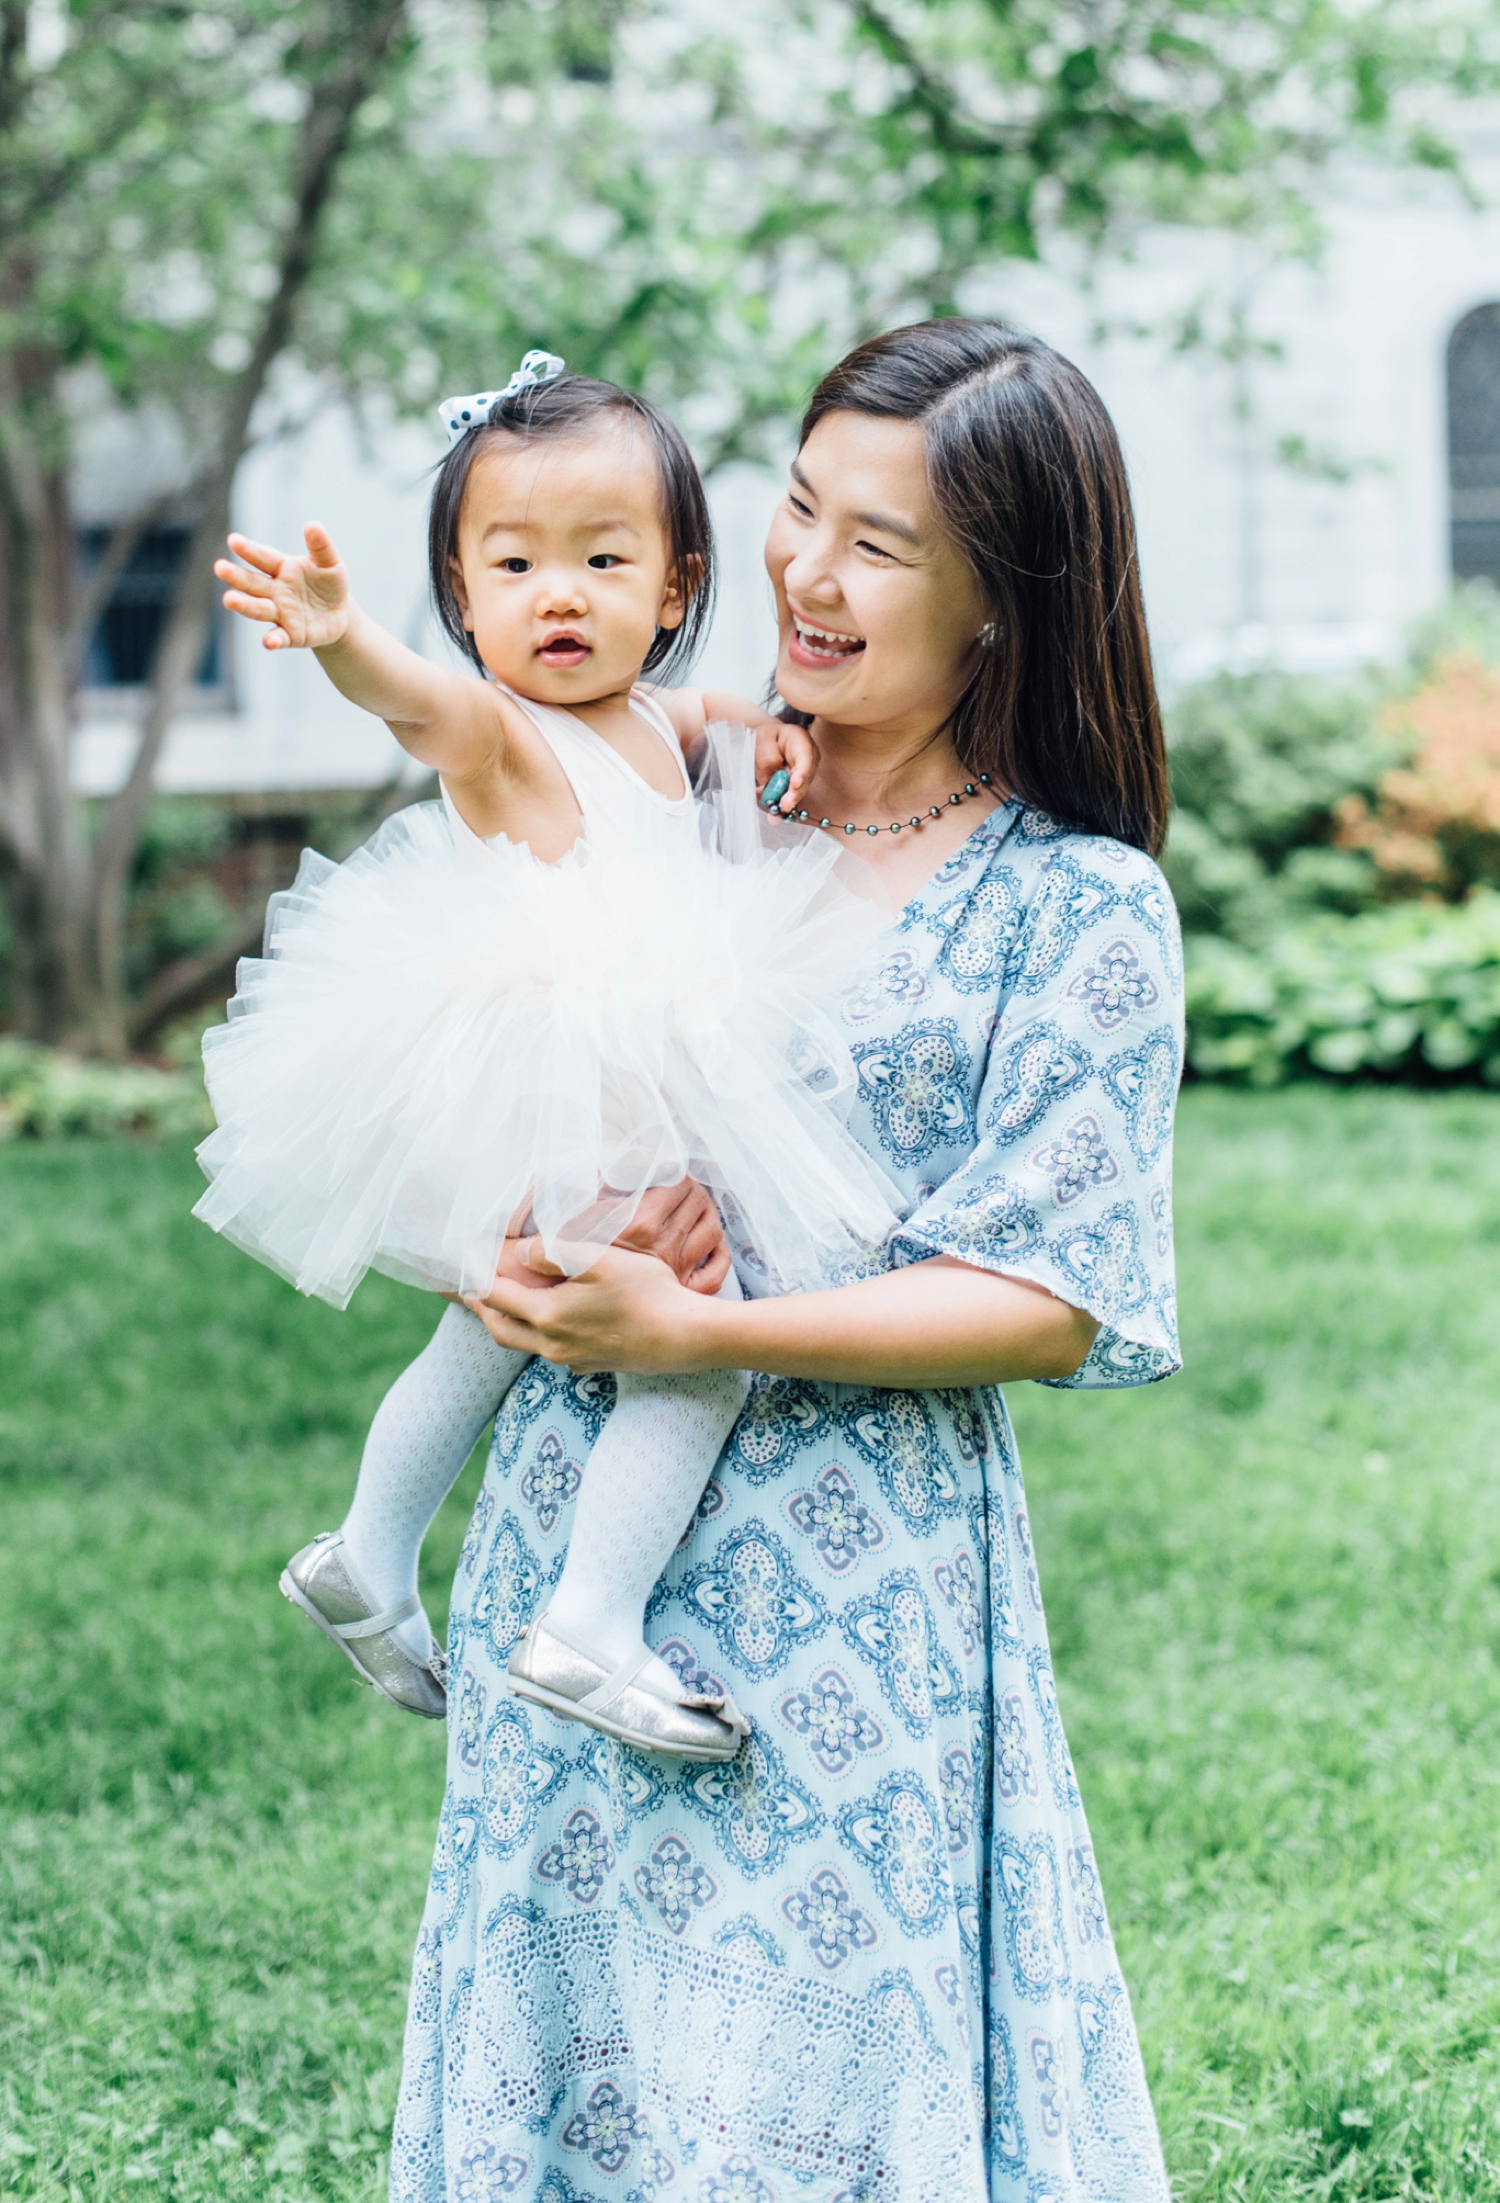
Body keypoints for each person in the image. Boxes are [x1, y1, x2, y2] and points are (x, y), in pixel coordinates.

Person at [390, 318, 1185, 2202]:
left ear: (1008, 597)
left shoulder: (1074, 904)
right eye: (800, 508)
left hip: (855, 1580)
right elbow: (459, 1065)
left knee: (810, 2078)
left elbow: (1048, 1294)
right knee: (571, 2044)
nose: (806, 577)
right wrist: (505, 1245)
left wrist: (710, 1320)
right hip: (571, 1521)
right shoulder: (675, 789)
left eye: (882, 545)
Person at [197, 352, 901, 1763]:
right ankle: (590, 1624)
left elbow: (700, 725)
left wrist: (764, 726)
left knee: (494, 1321)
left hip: (614, 1079)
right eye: (511, 564)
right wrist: (345, 639)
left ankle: (367, 1555)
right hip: (581, 1079)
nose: (558, 593)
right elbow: (421, 706)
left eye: (600, 557)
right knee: (695, 1343)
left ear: (676, 586)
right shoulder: (499, 736)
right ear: (462, 601)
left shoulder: (646, 717)